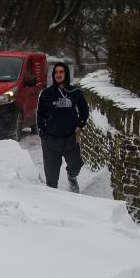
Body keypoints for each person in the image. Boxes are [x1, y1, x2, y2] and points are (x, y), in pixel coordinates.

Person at [36, 62, 90, 192]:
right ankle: (54, 204)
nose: (58, 75)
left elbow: (84, 110)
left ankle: (72, 178)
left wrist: (80, 125)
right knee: (51, 178)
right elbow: (40, 114)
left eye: (61, 72)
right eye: (56, 72)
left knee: (76, 165)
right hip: (51, 140)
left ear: (66, 74)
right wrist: (43, 133)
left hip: (70, 138)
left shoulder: (75, 92)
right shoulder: (46, 93)